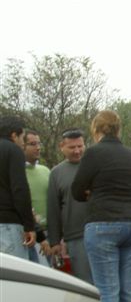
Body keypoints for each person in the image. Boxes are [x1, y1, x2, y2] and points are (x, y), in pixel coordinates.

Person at [71, 111, 131, 302]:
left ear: (97, 129)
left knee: (108, 293)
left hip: (103, 224)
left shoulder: (93, 153)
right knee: (127, 293)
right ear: (118, 129)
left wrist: (93, 191)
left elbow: (76, 190)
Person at [47, 128, 93, 283]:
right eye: (72, 147)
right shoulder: (56, 173)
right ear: (62, 147)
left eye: (80, 146)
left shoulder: (94, 166)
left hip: (100, 231)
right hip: (75, 236)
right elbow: (53, 208)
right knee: (85, 282)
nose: (77, 151)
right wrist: (54, 241)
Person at [0, 116, 36, 259]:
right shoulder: (13, 150)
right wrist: (29, 226)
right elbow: (19, 189)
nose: (23, 143)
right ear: (14, 135)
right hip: (8, 224)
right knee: (13, 270)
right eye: (22, 138)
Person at [23, 129, 51, 264]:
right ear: (22, 146)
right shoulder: (17, 173)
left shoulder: (45, 171)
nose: (38, 147)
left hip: (50, 233)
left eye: (39, 143)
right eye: (33, 144)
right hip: (31, 235)